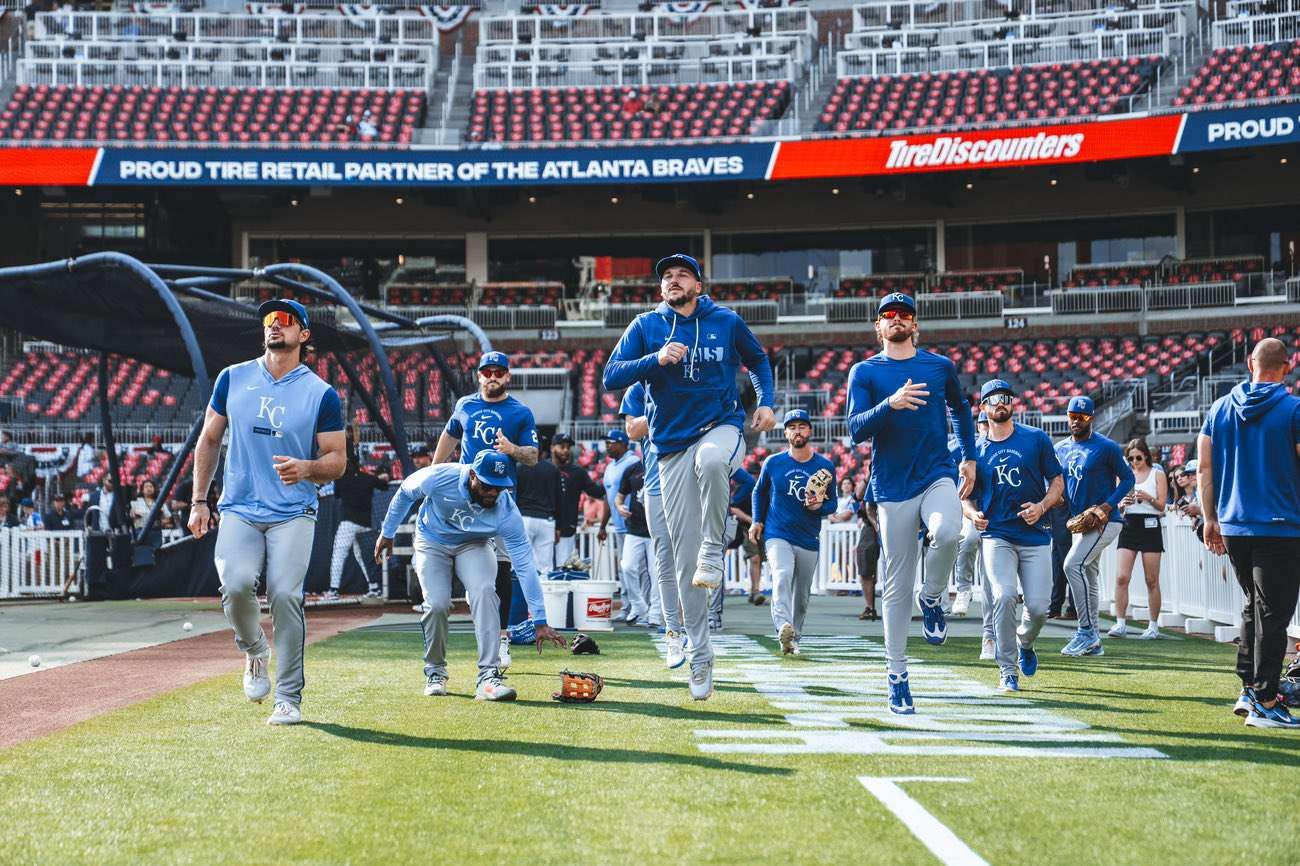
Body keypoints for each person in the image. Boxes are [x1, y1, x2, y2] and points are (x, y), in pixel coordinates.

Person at [603, 252, 775, 701]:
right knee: (681, 565)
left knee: (714, 462)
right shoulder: (646, 326)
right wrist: (656, 360)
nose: (672, 280)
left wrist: (766, 401)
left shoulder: (727, 320)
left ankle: (715, 549)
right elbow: (610, 376)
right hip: (668, 446)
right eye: (666, 276)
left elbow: (758, 362)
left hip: (721, 426)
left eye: (682, 274)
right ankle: (699, 652)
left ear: (699, 284)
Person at [188, 298, 346, 726]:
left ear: (304, 334)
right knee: (236, 586)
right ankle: (255, 650)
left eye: (286, 320)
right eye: (270, 320)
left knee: (284, 595)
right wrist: (199, 500)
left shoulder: (321, 394)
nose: (275, 325)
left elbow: (338, 459)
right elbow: (208, 440)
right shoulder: (232, 378)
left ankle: (289, 698)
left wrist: (309, 468)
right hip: (239, 505)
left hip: (293, 510)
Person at [845, 292, 975, 715]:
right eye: (889, 315)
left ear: (915, 324)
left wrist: (969, 456)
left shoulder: (939, 366)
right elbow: (855, 431)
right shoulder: (864, 372)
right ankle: (897, 674)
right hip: (891, 486)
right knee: (896, 586)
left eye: (904, 314)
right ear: (877, 327)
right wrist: (890, 404)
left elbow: (960, 407)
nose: (897, 319)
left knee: (948, 531)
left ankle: (933, 596)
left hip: (936, 472)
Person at [375, 450, 566, 700]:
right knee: (437, 604)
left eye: (500, 487)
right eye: (488, 486)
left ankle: (488, 676)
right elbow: (405, 494)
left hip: (475, 544)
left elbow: (525, 566)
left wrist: (540, 619)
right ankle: (435, 671)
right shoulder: (440, 477)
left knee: (485, 591)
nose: (494, 493)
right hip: (432, 541)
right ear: (473, 475)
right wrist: (387, 532)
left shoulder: (506, 510)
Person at [1198, 337, 1300, 729]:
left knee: (1253, 607)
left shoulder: (1220, 408)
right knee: (1273, 615)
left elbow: (1205, 469)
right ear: (1286, 367)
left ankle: (1249, 688)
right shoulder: (1292, 409)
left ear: (1248, 363)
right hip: (1282, 527)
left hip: (1234, 524)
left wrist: (1210, 519)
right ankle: (1267, 700)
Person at [433, 350, 539, 673]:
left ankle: (503, 639)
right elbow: (449, 437)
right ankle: (474, 594)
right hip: (466, 498)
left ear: (508, 376)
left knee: (504, 570)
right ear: (478, 375)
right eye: (486, 371)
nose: (492, 376)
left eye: (498, 371)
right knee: (470, 564)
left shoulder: (520, 412)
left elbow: (533, 456)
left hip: (502, 499)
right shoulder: (465, 405)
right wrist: (434, 475)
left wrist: (512, 450)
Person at [963, 379, 1064, 692]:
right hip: (997, 535)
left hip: (1035, 535)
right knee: (1004, 596)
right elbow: (964, 496)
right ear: (983, 408)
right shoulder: (974, 451)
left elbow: (1057, 483)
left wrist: (1043, 506)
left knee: (1038, 608)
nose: (1000, 404)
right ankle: (1007, 670)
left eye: (1005, 398)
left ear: (1014, 404)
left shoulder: (1035, 439)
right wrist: (972, 514)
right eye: (993, 400)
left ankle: (1025, 642)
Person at [750, 409, 837, 656]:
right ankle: (782, 627)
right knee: (781, 574)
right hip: (778, 533)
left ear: (810, 431)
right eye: (792, 427)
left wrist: (821, 506)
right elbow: (759, 492)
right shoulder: (774, 462)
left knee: (802, 596)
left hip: (809, 537)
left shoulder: (824, 466)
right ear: (785, 432)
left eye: (802, 426)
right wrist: (757, 520)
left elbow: (833, 503)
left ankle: (793, 638)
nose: (797, 431)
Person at [1054, 395, 1134, 659]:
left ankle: (1085, 630)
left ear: (1091, 418)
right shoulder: (1061, 448)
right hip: (1082, 523)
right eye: (1072, 417)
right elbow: (1061, 485)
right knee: (1088, 574)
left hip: (1106, 521)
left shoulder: (1106, 447)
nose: (1076, 421)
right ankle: (1095, 641)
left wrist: (1107, 506)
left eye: (1082, 417)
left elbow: (1127, 479)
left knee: (1072, 565)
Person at [620, 382, 686, 669]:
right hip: (657, 485)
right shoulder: (637, 390)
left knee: (689, 562)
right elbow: (633, 430)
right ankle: (671, 629)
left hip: (690, 480)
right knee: (664, 563)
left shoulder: (695, 375)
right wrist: (666, 408)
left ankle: (694, 628)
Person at [1109, 437, 1167, 640]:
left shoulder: (1157, 474)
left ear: (1146, 456)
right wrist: (1122, 503)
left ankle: (1153, 625)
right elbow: (1117, 506)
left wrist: (1148, 497)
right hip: (1129, 524)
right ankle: (1120, 623)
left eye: (1138, 458)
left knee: (1151, 579)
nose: (1134, 462)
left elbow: (1162, 506)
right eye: (1131, 458)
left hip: (1150, 525)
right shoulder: (1124, 476)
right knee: (1121, 577)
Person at [326, 433, 389, 601]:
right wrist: (382, 476)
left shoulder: (341, 479)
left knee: (338, 555)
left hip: (348, 524)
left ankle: (333, 590)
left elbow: (338, 495)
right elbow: (384, 485)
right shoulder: (367, 478)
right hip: (365, 525)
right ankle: (374, 587)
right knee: (362, 556)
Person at [599, 429, 645, 623]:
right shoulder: (610, 467)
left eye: (611, 442)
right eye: (606, 442)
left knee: (639, 570)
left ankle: (644, 608)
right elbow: (608, 497)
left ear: (623, 443)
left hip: (634, 524)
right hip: (618, 525)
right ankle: (628, 607)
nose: (607, 445)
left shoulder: (634, 462)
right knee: (624, 569)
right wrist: (602, 525)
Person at [952, 412, 991, 620]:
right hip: (972, 507)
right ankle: (964, 589)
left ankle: (988, 599)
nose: (985, 427)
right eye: (982, 424)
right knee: (968, 540)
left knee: (991, 560)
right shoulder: (969, 448)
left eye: (988, 423)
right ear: (978, 427)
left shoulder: (1001, 445)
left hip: (996, 510)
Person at [616, 453, 657, 627]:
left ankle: (656, 612)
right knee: (627, 566)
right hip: (634, 527)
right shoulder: (632, 469)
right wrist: (619, 507)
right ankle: (638, 604)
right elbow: (619, 496)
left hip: (657, 529)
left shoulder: (664, 463)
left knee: (656, 573)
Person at [551, 433, 605, 567]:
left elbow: (596, 492)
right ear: (552, 447)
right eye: (561, 446)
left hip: (566, 530)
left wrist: (610, 481)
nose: (565, 450)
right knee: (541, 571)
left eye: (568, 447)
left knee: (563, 569)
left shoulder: (578, 472)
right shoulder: (544, 468)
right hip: (545, 528)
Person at [514, 445, 562, 579]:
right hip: (547, 520)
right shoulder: (553, 469)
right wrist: (558, 527)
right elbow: (559, 499)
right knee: (545, 568)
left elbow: (513, 497)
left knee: (522, 564)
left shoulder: (518, 468)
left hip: (524, 519)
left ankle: (523, 599)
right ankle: (546, 599)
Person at [729, 466, 765, 607]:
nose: (755, 478)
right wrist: (750, 519)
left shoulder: (765, 489)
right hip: (746, 528)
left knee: (759, 559)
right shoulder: (744, 490)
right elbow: (732, 507)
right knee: (754, 558)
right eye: (753, 475)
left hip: (763, 528)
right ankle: (756, 591)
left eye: (758, 474)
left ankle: (754, 590)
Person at [853, 475, 880, 620]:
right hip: (870, 527)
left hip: (895, 522)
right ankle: (870, 607)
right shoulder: (870, 475)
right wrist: (869, 475)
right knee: (865, 567)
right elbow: (858, 495)